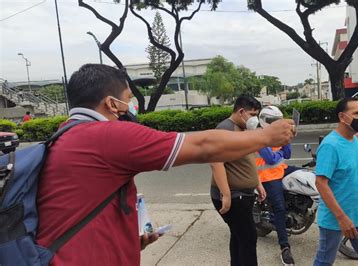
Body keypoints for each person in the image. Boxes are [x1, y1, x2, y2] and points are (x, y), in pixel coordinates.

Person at [35, 64, 295, 266]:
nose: (132, 106)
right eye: (129, 98)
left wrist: (126, 239)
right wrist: (265, 136)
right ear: (112, 104)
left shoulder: (64, 134)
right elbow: (202, 147)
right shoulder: (105, 135)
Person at [313, 97, 358, 266]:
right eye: (356, 113)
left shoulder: (355, 140)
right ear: (342, 117)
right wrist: (341, 218)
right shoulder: (331, 145)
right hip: (335, 220)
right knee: (325, 260)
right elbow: (321, 183)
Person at [210, 95, 268, 266]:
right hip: (234, 196)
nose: (254, 119)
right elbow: (215, 161)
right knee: (249, 238)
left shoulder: (244, 129)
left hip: (244, 194)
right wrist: (225, 194)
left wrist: (257, 182)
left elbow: (248, 159)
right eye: (252, 114)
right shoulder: (225, 129)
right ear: (241, 111)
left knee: (238, 236)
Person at [256, 106, 295, 265]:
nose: (276, 123)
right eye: (272, 121)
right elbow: (270, 159)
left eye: (278, 120)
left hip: (281, 170)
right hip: (266, 176)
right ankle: (284, 247)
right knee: (279, 208)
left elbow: (287, 154)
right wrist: (277, 155)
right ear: (264, 121)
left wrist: (288, 137)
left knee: (312, 176)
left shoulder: (279, 133)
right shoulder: (259, 135)